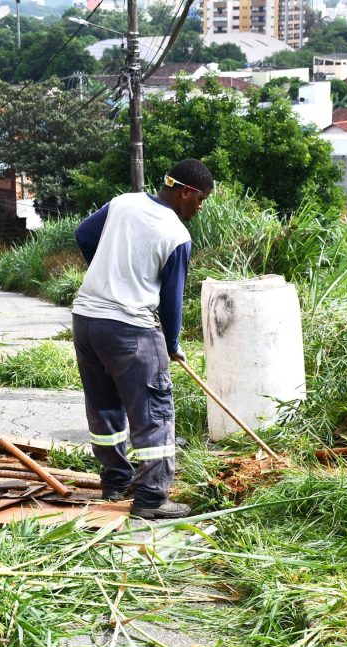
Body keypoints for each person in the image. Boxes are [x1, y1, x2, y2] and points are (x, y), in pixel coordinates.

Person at [70, 158, 213, 520]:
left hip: (87, 320)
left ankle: (116, 480)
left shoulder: (123, 202)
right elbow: (171, 299)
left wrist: (108, 271)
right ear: (186, 192)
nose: (199, 209)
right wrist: (172, 343)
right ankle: (151, 498)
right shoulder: (176, 235)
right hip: (130, 328)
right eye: (200, 201)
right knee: (154, 413)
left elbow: (84, 235)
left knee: (103, 405)